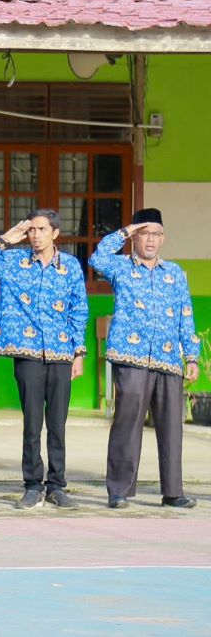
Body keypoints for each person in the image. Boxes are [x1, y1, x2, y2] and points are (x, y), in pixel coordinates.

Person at [0, 210, 88, 510]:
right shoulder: (14, 262)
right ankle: (33, 485)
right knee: (32, 423)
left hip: (61, 353)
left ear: (55, 233)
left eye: (41, 229)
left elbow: (78, 310)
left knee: (57, 424)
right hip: (27, 353)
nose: (35, 235)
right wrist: (5, 240)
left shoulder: (70, 266)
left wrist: (78, 353)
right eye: (31, 230)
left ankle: (57, 486)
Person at [90, 208, 201, 509]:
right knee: (127, 424)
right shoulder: (121, 267)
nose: (150, 240)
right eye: (144, 233)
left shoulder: (175, 273)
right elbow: (96, 257)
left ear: (162, 239)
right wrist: (126, 230)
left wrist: (191, 356)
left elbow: (185, 315)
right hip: (130, 358)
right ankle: (119, 491)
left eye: (155, 234)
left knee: (171, 429)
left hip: (168, 360)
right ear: (135, 237)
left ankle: (173, 492)